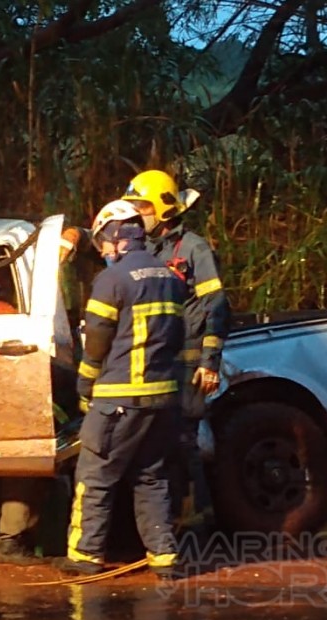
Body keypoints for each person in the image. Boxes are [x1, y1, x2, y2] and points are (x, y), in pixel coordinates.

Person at [55, 200, 186, 578]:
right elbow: (178, 335)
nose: (104, 251)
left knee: (95, 475)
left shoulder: (112, 280)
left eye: (104, 242)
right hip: (161, 399)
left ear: (116, 236)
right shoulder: (169, 276)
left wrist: (85, 385)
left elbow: (97, 340)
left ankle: (85, 555)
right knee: (152, 477)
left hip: (118, 398)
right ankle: (164, 558)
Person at [120, 170, 230, 524]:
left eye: (143, 207)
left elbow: (216, 304)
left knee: (184, 442)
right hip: (159, 361)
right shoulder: (144, 249)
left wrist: (209, 362)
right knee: (162, 443)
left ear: (164, 209)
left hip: (189, 361)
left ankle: (199, 523)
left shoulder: (193, 247)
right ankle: (170, 523)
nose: (138, 215)